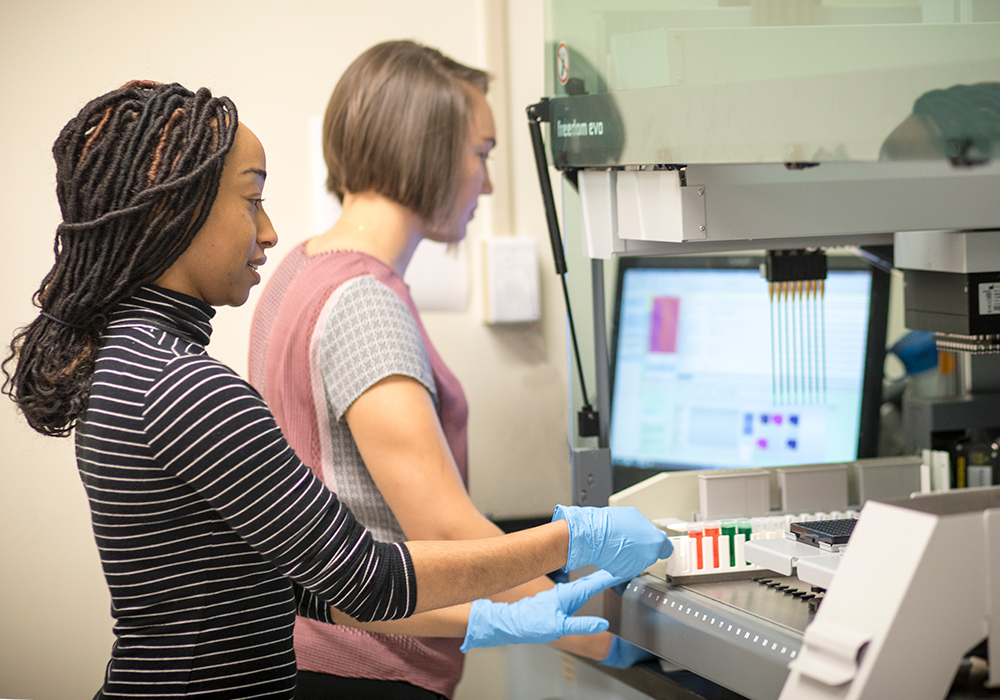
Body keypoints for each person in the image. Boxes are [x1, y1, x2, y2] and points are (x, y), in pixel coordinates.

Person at [1, 80, 672, 700]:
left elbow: (301, 581)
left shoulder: (128, 362)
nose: (269, 232)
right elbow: (369, 577)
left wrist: (503, 618)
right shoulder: (185, 387)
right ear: (175, 207)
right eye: (252, 200)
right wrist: (571, 541)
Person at [249, 41, 667, 700]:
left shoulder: (301, 267)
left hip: (308, 652)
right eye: (482, 154)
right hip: (364, 667)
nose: (489, 182)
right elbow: (441, 528)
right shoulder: (363, 301)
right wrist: (586, 624)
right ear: (428, 148)